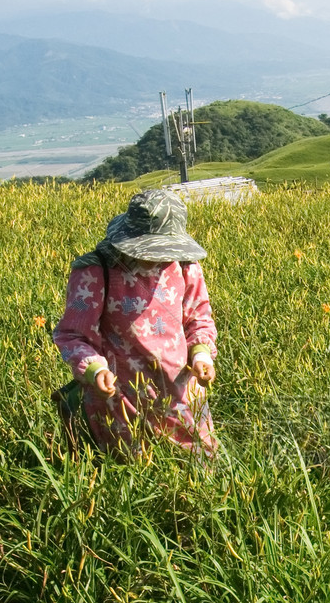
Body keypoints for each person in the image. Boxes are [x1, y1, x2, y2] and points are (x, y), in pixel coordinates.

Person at [52, 188, 217, 454]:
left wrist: (201, 355)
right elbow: (72, 335)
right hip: (120, 400)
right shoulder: (96, 272)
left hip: (182, 394)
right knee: (131, 473)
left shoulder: (186, 266)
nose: (158, 260)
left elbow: (199, 317)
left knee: (200, 467)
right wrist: (94, 370)